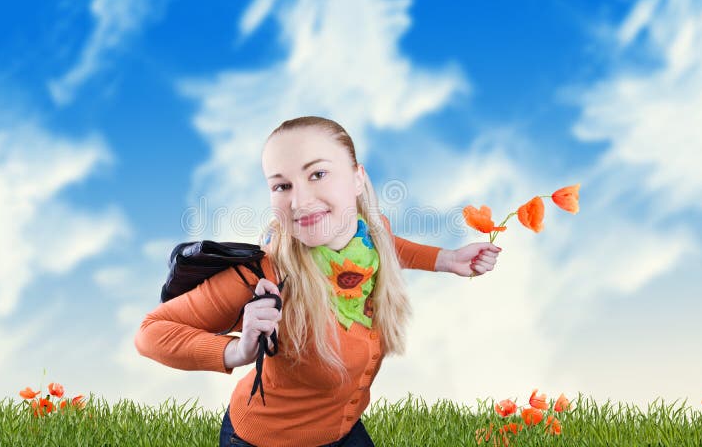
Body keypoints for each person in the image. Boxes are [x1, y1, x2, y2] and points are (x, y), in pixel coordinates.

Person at [134, 116, 501, 447]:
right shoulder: (265, 275)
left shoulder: (369, 235)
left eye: (317, 174)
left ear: (357, 178)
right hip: (267, 440)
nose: (300, 200)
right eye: (282, 186)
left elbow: (389, 247)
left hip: (342, 431)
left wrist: (448, 260)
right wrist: (237, 351)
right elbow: (151, 332)